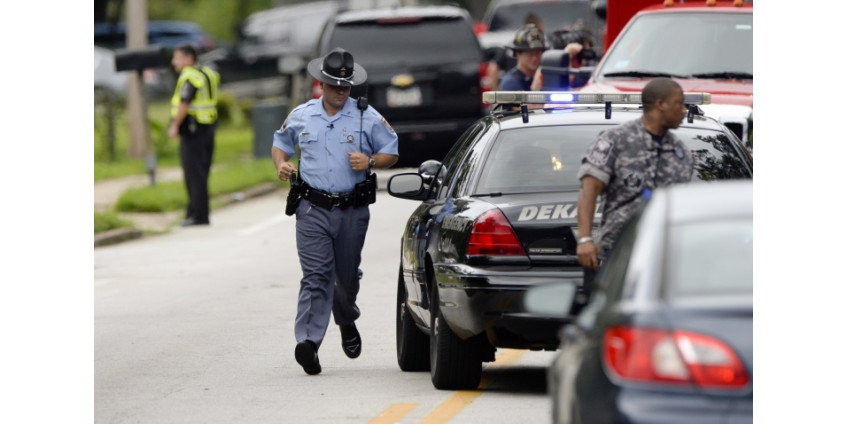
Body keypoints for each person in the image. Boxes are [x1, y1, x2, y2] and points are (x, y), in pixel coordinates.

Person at [271, 47, 399, 375]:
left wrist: (370, 161)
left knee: (346, 278)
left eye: (346, 86)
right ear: (322, 84)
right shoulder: (302, 114)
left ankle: (345, 318)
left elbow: (391, 150)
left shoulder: (365, 116)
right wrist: (282, 164)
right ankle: (309, 343)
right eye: (335, 86)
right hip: (312, 208)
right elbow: (281, 142)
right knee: (316, 277)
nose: (341, 92)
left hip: (352, 211)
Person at [575, 78, 693, 271]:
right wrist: (585, 238)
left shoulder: (681, 153)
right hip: (617, 255)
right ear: (661, 105)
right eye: (679, 103)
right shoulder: (616, 140)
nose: (684, 110)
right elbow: (589, 191)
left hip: (663, 258)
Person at [167, 44, 220, 227]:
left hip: (193, 130)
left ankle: (199, 215)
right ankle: (194, 212)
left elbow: (185, 102)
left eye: (177, 57)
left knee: (193, 173)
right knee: (202, 171)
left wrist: (174, 125)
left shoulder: (190, 76)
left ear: (189, 59)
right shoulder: (207, 72)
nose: (174, 62)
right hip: (208, 127)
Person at [498, 24, 548, 91]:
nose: (535, 58)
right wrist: (535, 89)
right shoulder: (510, 83)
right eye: (530, 54)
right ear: (517, 54)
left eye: (538, 53)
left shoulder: (543, 79)